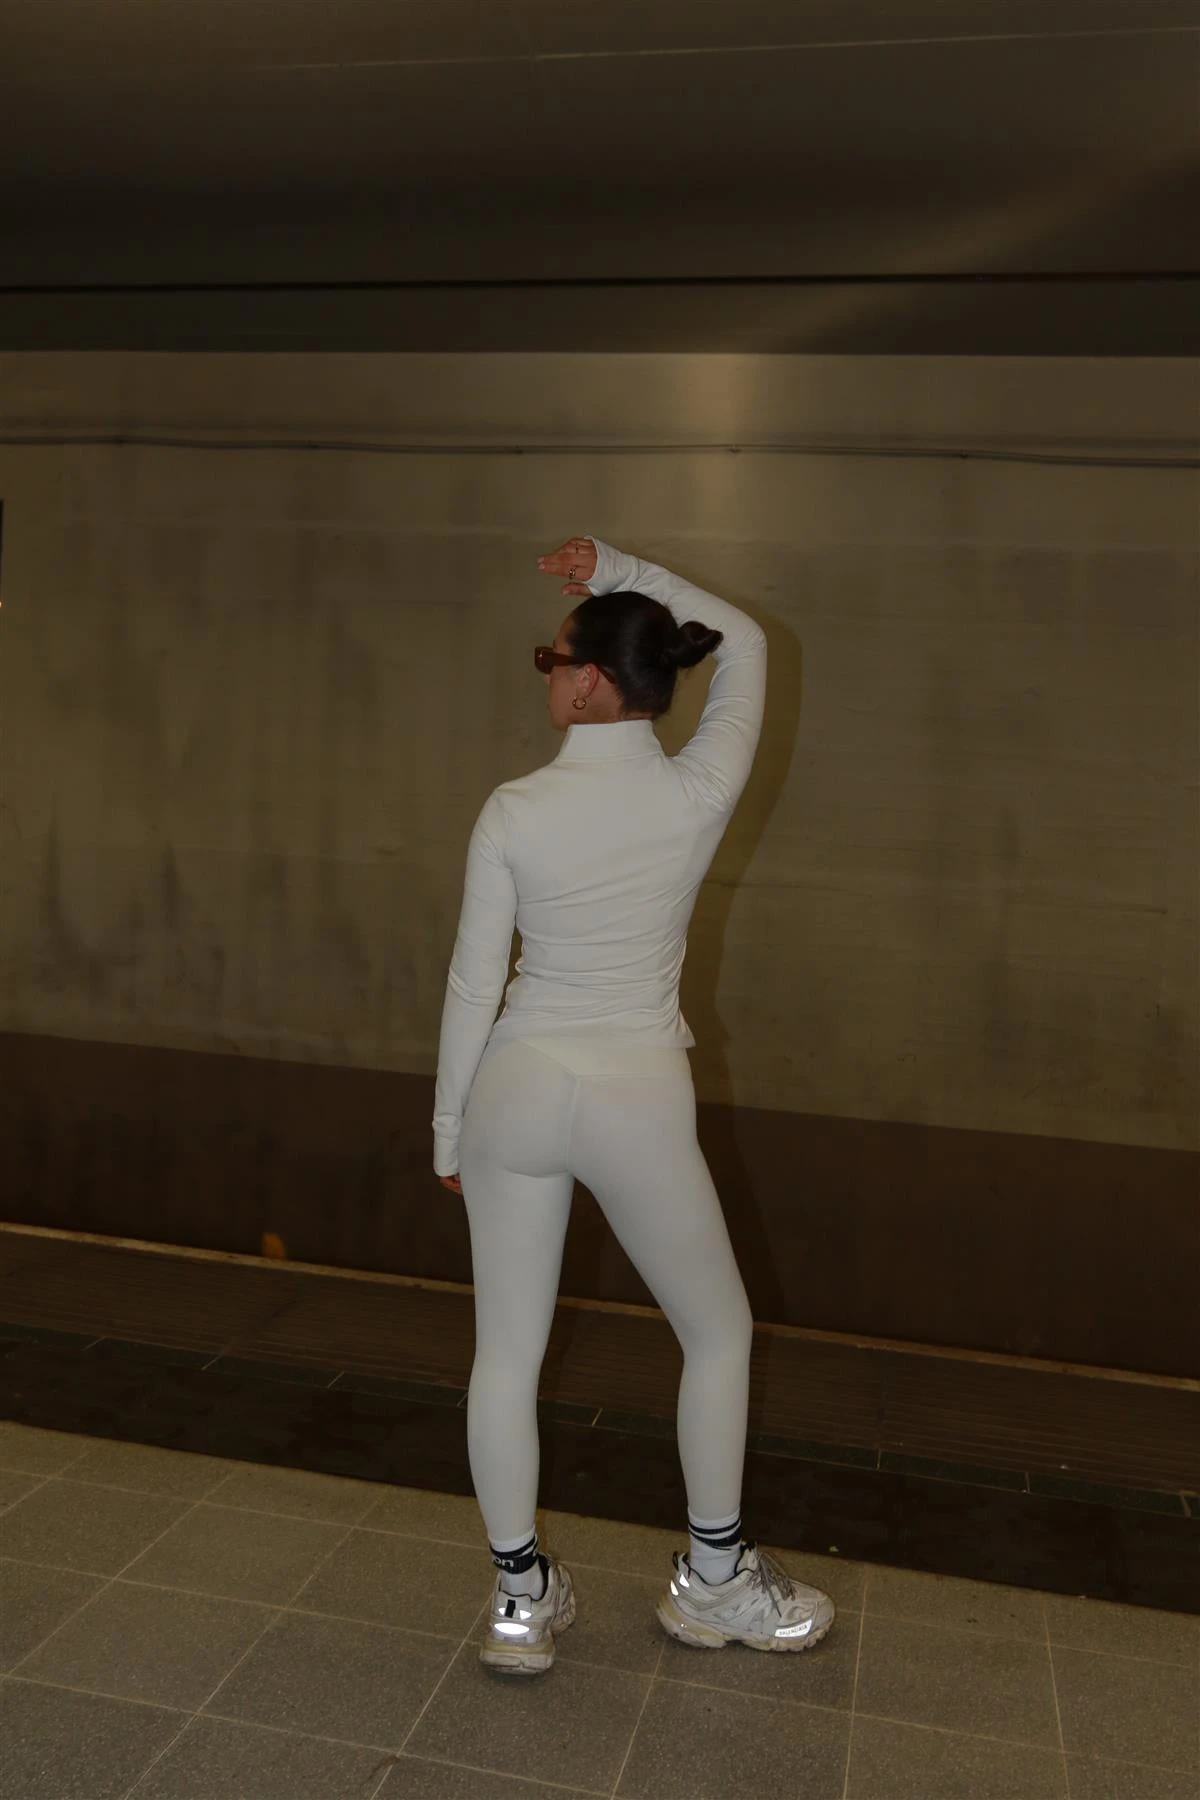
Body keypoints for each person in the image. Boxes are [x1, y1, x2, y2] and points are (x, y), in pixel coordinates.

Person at [433, 534, 834, 1674]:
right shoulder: (697, 791)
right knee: (718, 1334)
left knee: (506, 1354)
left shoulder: (512, 809)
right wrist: (624, 568)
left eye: (551, 660)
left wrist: (449, 1129)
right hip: (635, 1094)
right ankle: (715, 1581)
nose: (547, 676)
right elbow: (745, 640)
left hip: (515, 1084)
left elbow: (472, 982)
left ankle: (520, 1600)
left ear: (590, 684)